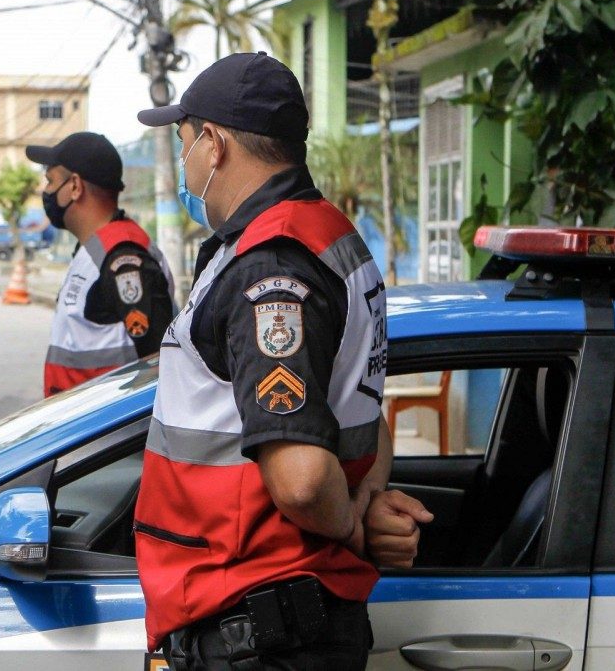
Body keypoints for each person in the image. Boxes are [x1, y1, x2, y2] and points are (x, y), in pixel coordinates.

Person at [132, 53, 432, 670]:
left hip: (256, 623)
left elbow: (300, 478)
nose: (185, 162)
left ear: (213, 145)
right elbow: (363, 409)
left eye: (184, 143)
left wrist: (351, 524)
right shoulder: (328, 237)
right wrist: (368, 504)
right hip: (287, 621)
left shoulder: (269, 266)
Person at [26, 131, 176, 397]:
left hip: (107, 431)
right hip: (79, 424)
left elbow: (159, 368)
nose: (45, 191)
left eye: (50, 181)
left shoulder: (124, 259)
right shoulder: (95, 251)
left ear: (74, 186)